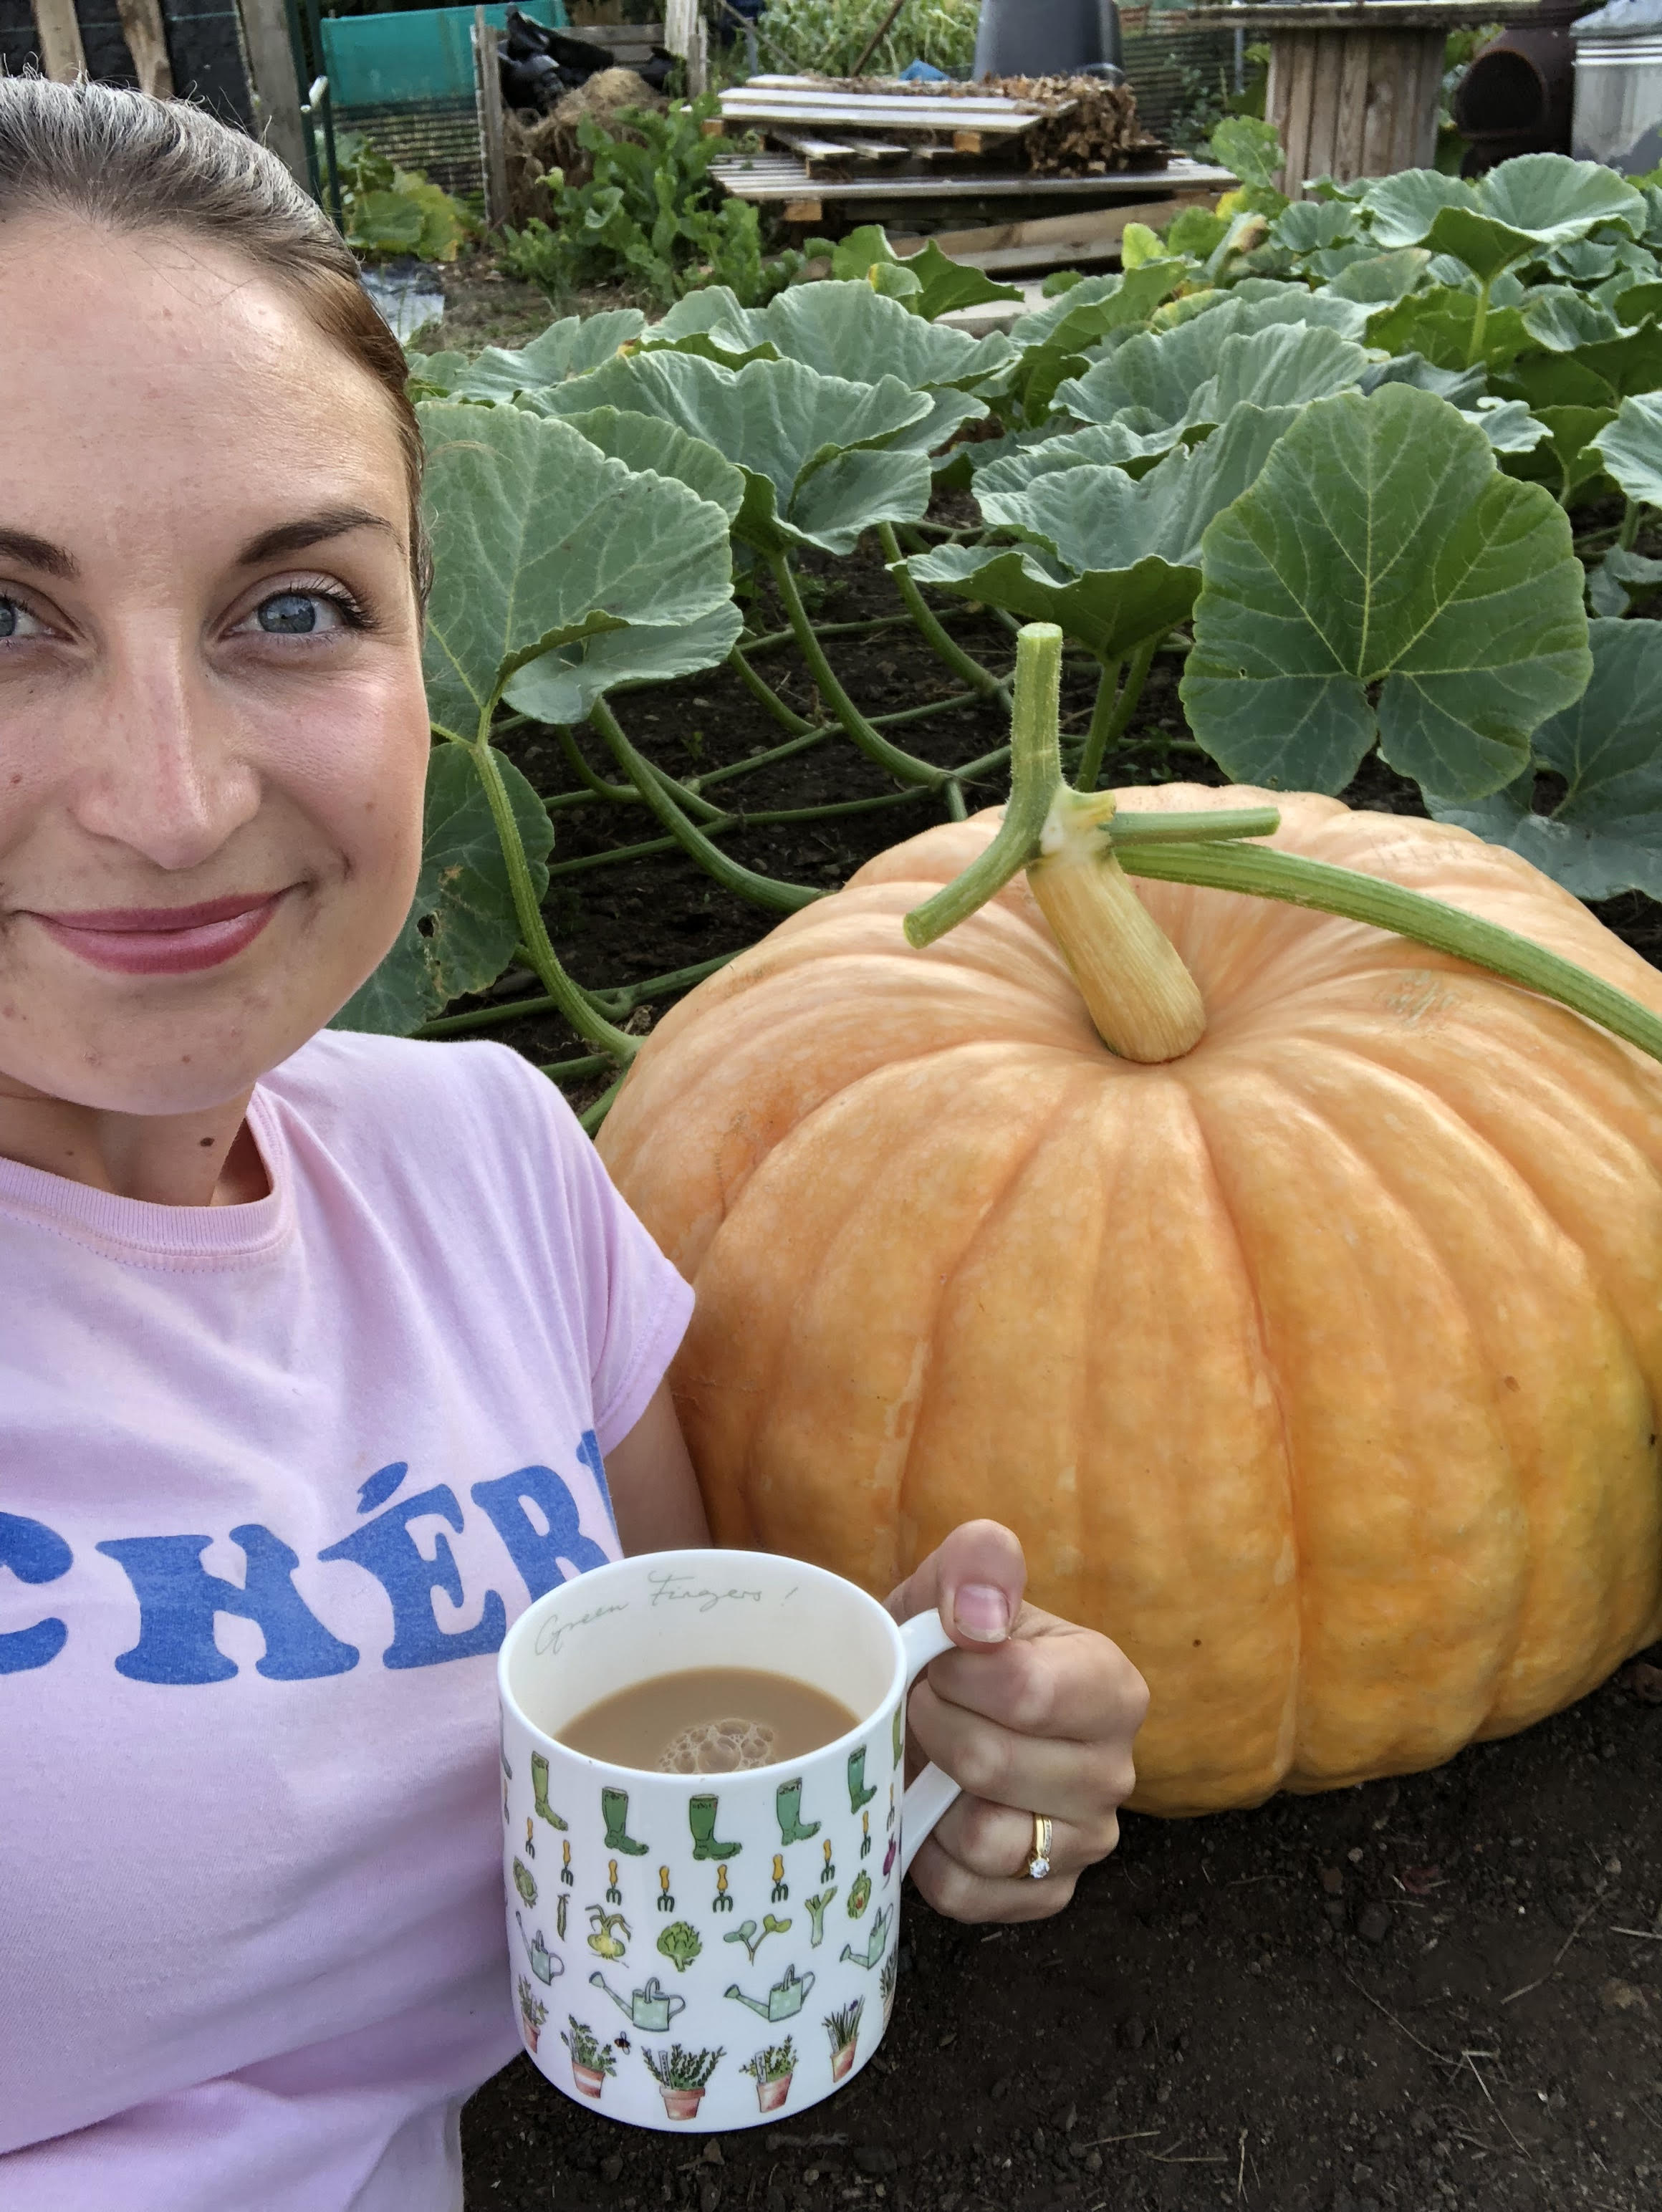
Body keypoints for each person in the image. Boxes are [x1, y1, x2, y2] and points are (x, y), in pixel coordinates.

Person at [0, 77, 1149, 2212]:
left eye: (297, 607)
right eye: (2, 621)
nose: (169, 801)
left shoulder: (491, 1157)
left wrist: (915, 1748)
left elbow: (640, 1718)